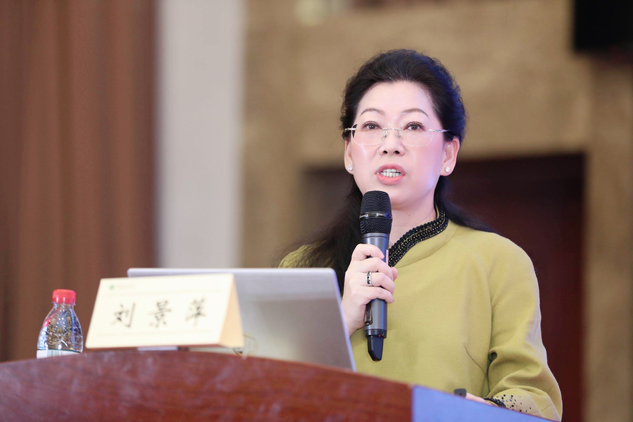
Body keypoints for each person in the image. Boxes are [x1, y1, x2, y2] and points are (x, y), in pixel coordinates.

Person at [280, 49, 562, 420]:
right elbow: (265, 393)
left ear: (448, 154)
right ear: (349, 152)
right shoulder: (301, 269)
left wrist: (480, 412)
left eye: (413, 126)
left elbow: (536, 402)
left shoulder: (498, 262)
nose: (390, 144)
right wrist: (341, 320)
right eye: (371, 126)